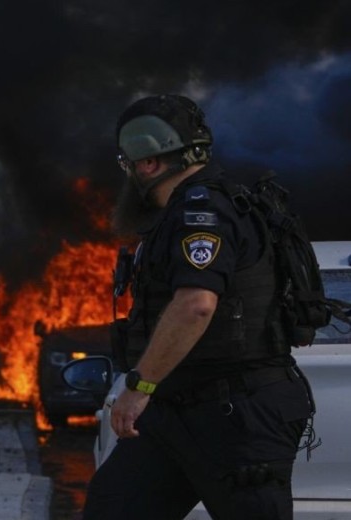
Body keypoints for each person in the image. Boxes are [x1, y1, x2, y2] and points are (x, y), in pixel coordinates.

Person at [83, 94, 315, 520]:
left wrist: (139, 387)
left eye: (129, 164)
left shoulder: (202, 212)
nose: (130, 176)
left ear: (149, 163)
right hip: (179, 413)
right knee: (113, 508)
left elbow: (196, 305)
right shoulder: (183, 213)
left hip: (237, 415)